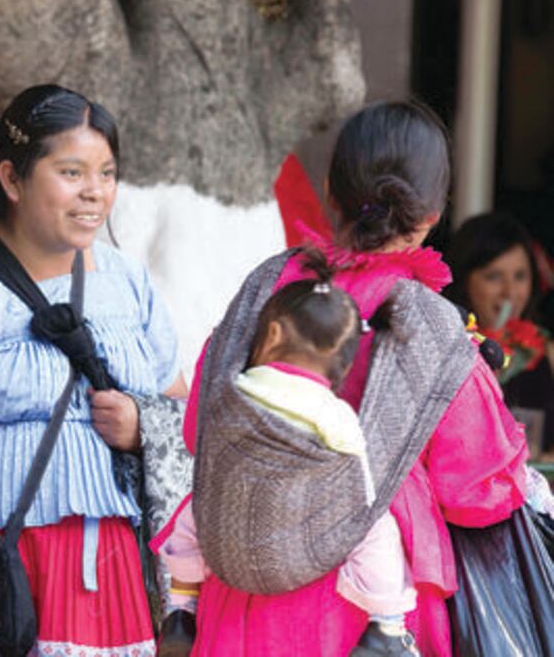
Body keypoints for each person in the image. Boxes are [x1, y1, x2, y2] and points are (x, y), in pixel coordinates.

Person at [183, 101, 527, 656]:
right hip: (372, 604)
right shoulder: (433, 325)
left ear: (329, 188)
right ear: (434, 212)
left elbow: (201, 424)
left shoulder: (270, 286)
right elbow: (476, 491)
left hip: (245, 576)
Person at [0, 84, 186, 655]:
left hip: (115, 578)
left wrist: (144, 424)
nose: (94, 191)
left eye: (107, 173)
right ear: (12, 179)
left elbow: (182, 415)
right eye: (71, 172)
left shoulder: (129, 283)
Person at [155, 263, 417, 656]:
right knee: (376, 524)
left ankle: (180, 607)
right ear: (343, 365)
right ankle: (388, 625)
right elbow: (358, 482)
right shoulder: (335, 413)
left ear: (273, 333)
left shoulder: (238, 386)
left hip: (233, 511)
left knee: (196, 509)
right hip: (311, 531)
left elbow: (205, 435)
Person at [443, 212, 554, 455]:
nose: (510, 292)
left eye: (520, 276)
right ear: (464, 281)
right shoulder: (442, 352)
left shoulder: (546, 352)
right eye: (493, 277)